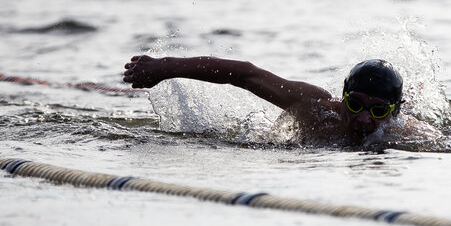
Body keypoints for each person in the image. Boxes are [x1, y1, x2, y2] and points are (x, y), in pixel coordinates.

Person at [123, 55, 419, 146]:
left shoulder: (406, 136)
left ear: (394, 113)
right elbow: (244, 75)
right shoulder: (313, 108)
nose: (364, 119)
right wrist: (165, 67)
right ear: (342, 98)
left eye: (378, 111)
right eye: (355, 105)